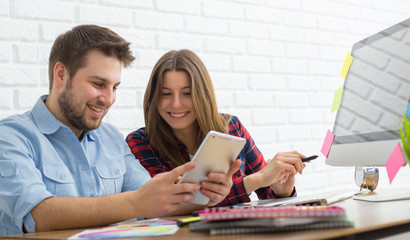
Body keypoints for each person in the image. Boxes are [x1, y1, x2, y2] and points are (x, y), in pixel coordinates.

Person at [0, 26, 239, 236]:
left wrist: (207, 197)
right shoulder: (12, 137)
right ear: (61, 74)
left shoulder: (111, 138)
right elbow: (38, 217)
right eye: (98, 84)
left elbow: (155, 200)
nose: (109, 99)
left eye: (115, 87)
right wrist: (137, 202)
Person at [127, 49, 307, 207]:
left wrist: (282, 190)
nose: (176, 104)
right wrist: (256, 180)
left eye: (187, 93)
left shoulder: (231, 127)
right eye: (166, 94)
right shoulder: (141, 142)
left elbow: (268, 195)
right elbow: (174, 204)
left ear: (202, 94)